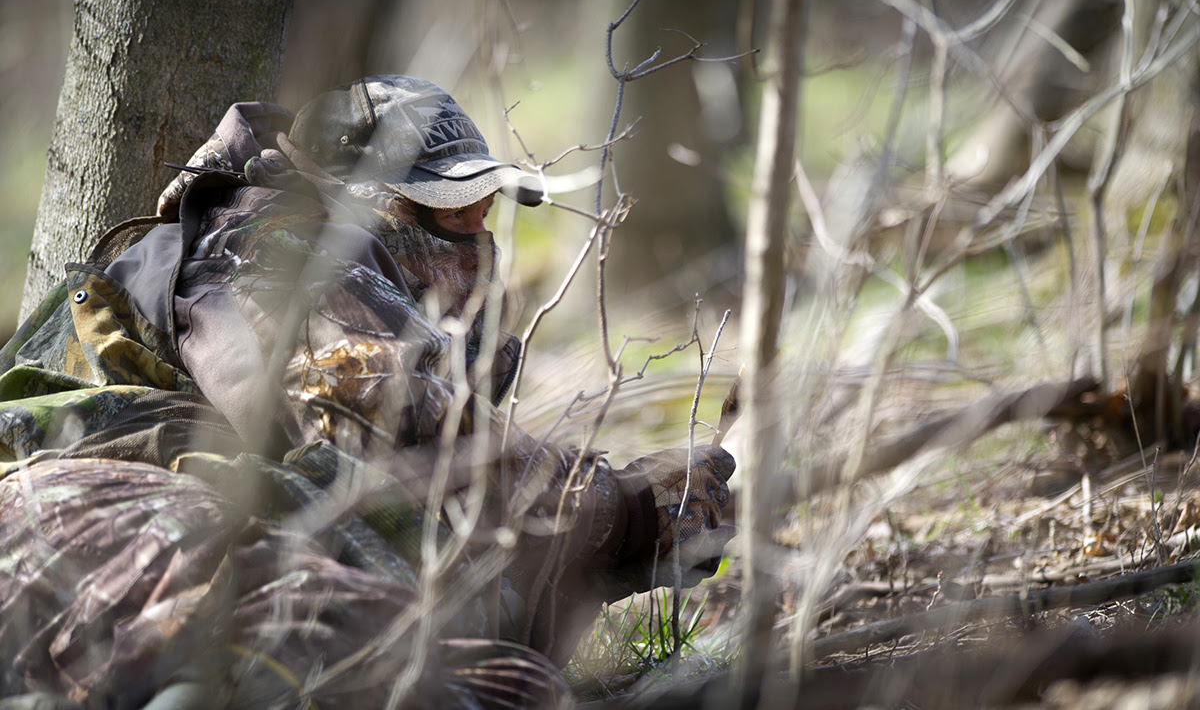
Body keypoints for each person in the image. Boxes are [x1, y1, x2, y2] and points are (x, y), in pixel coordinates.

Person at [0, 75, 736, 708]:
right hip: (81, 517)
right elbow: (374, 417)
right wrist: (623, 505)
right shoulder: (278, 243)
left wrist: (616, 540)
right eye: (451, 213)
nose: (476, 242)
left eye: (485, 215)